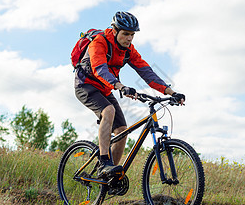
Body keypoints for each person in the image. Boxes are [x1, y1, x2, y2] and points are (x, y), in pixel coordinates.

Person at [74, 11, 185, 179]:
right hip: (86, 85)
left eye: (132, 35)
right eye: (126, 34)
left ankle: (112, 175)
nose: (129, 38)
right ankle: (104, 163)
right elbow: (99, 69)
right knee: (108, 111)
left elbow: (147, 73)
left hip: (105, 89)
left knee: (122, 131)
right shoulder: (99, 43)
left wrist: (172, 92)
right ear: (114, 30)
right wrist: (121, 86)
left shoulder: (128, 50)